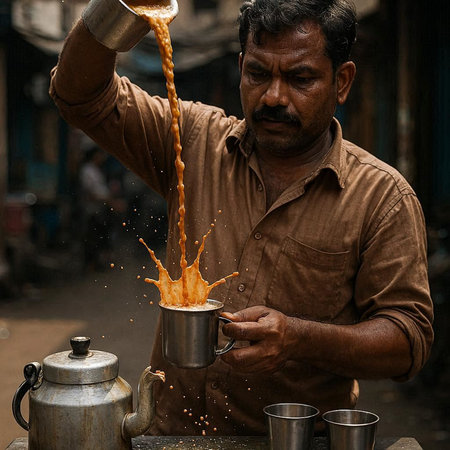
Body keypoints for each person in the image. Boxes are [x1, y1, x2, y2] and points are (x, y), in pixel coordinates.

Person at [49, 0, 433, 436]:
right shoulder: (192, 139)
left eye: (300, 78)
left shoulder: (382, 197)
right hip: (171, 439)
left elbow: (407, 340)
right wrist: (117, 9)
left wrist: (299, 338)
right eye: (257, 74)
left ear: (341, 82)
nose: (273, 97)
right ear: (240, 67)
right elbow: (79, 95)